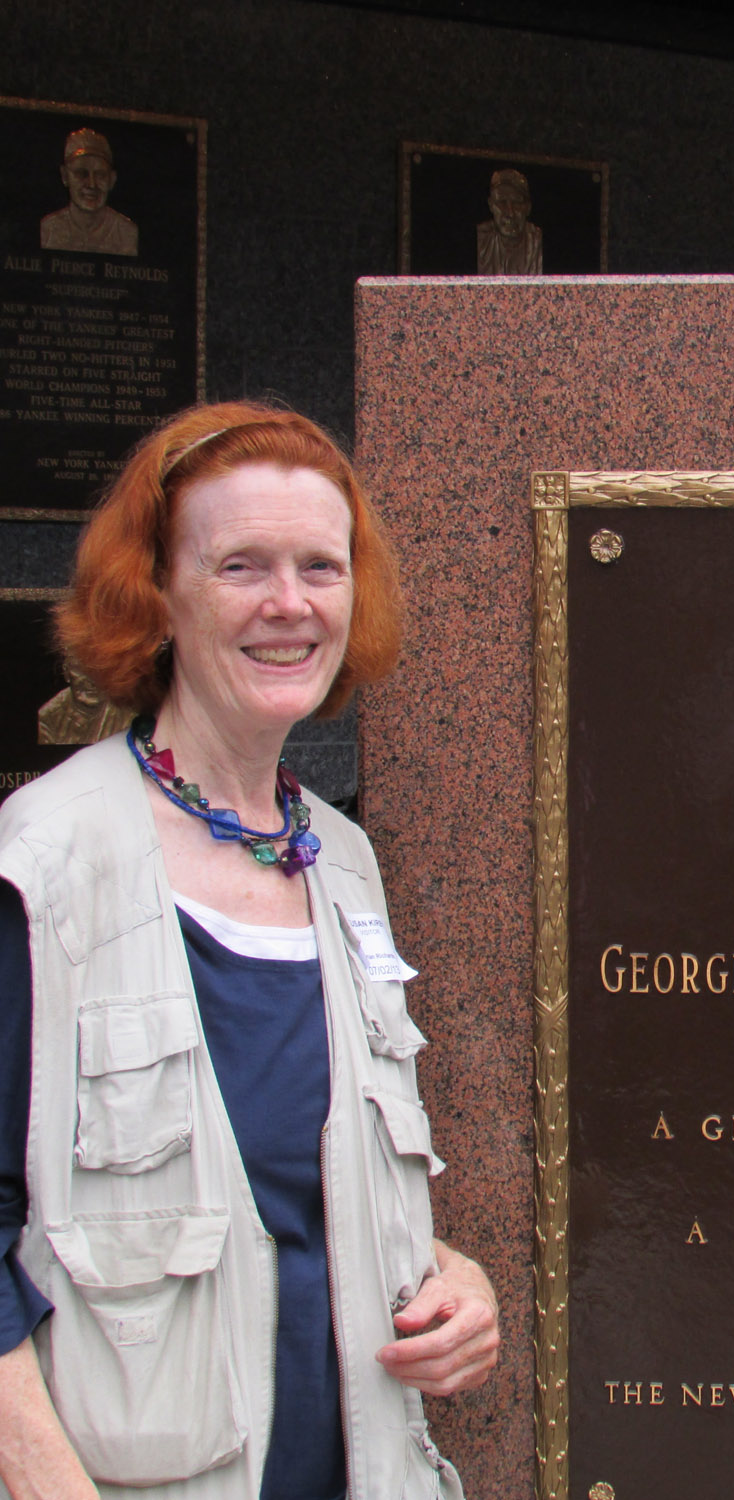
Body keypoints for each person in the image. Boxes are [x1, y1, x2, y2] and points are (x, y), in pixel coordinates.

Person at [0, 401, 498, 1498]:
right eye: (241, 566)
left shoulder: (342, 857)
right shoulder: (44, 863)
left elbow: (309, 1201)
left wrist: (449, 1276)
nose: (290, 604)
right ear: (158, 596)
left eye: (321, 566)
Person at [40, 128, 138, 257]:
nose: (92, 184)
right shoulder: (49, 229)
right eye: (81, 174)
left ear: (112, 179)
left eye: (100, 175)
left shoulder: (126, 232)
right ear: (65, 176)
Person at [476, 168, 542, 275]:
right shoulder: (481, 242)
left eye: (517, 203)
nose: (510, 213)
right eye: (501, 203)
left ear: (528, 207)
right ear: (491, 206)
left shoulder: (537, 243)